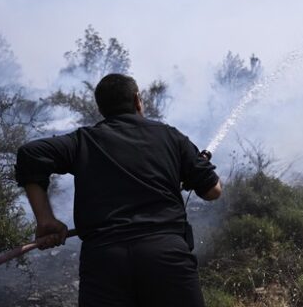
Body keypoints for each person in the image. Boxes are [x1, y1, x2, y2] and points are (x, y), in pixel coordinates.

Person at [15, 73, 220, 307]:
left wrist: (45, 219)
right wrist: (199, 166)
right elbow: (213, 191)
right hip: (165, 257)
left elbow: (30, 154)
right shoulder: (170, 137)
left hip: (104, 261)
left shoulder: (83, 141)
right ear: (137, 100)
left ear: (101, 109)